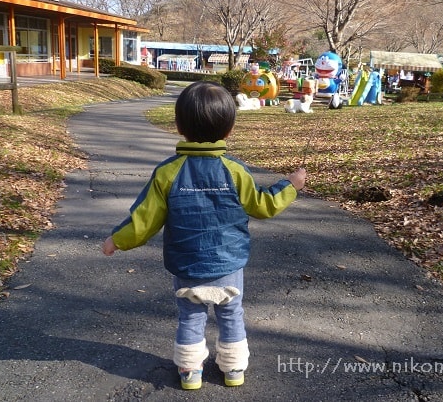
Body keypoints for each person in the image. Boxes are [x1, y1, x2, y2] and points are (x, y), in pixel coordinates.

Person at [101, 81, 306, 390]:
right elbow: (264, 205)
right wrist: (290, 185)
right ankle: (234, 369)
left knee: (191, 317)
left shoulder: (167, 172)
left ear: (180, 127)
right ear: (229, 130)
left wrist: (117, 239)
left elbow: (144, 220)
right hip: (228, 264)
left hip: (187, 266)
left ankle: (189, 372)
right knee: (231, 314)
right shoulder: (235, 171)